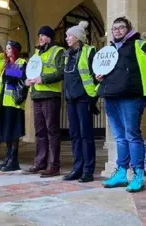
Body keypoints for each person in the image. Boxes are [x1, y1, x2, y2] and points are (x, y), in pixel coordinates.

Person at [98, 17, 146, 193]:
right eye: (114, 28)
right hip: (111, 96)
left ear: (129, 29)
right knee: (119, 137)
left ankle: (138, 174)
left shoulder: (140, 46)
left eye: (121, 27)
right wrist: (100, 76)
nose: (117, 31)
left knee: (132, 135)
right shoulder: (109, 50)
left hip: (131, 97)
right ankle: (122, 172)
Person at [24, 26, 65, 178]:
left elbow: (61, 72)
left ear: (50, 37)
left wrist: (44, 79)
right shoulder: (36, 54)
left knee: (52, 131)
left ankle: (53, 165)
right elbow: (30, 72)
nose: (40, 38)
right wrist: (28, 81)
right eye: (39, 35)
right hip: (36, 95)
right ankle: (40, 162)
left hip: (50, 94)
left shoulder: (58, 51)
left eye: (44, 35)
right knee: (40, 131)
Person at [62, 21, 98, 183]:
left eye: (69, 35)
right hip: (71, 99)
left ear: (78, 37)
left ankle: (88, 170)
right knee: (75, 135)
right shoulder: (67, 54)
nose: (67, 38)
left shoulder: (89, 51)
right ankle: (77, 168)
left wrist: (93, 96)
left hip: (84, 98)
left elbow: (97, 73)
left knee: (86, 135)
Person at [0, 40, 27, 172]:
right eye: (6, 49)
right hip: (4, 102)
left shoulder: (21, 62)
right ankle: (8, 157)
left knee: (14, 132)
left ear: (15, 50)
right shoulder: (7, 64)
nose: (7, 51)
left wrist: (8, 70)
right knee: (7, 132)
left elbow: (21, 77)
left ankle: (14, 160)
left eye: (9, 48)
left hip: (15, 103)